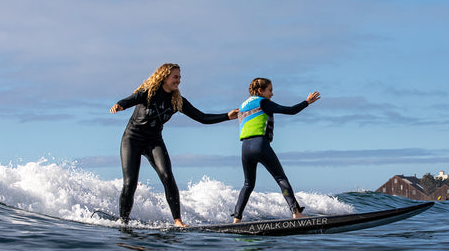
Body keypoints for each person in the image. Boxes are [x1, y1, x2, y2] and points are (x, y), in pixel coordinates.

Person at [110, 63, 238, 227]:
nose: (178, 80)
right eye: (175, 77)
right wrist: (120, 105)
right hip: (132, 139)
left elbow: (202, 117)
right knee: (130, 182)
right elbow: (130, 99)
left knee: (167, 177)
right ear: (164, 77)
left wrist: (227, 116)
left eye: (179, 77)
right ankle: (124, 221)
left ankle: (178, 221)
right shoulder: (148, 93)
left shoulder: (177, 101)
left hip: (154, 141)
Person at [232, 78, 320, 223]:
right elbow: (290, 110)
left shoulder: (242, 106)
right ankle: (296, 213)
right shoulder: (263, 102)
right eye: (270, 90)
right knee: (281, 178)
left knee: (248, 184)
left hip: (245, 148)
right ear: (261, 91)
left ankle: (237, 219)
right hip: (260, 145)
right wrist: (307, 102)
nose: (272, 94)